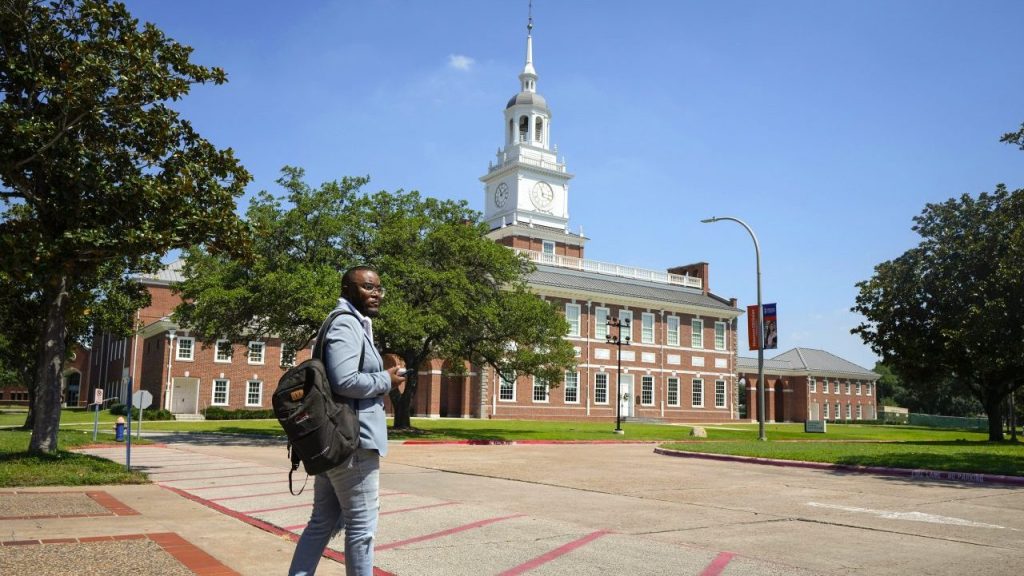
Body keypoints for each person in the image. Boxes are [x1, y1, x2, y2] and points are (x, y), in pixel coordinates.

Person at [289, 266, 406, 576]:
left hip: (337, 442)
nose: (377, 294)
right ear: (347, 290)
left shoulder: (348, 323)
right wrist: (386, 380)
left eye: (379, 288)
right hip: (352, 442)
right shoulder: (346, 325)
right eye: (368, 288)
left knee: (321, 523)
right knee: (361, 529)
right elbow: (345, 380)